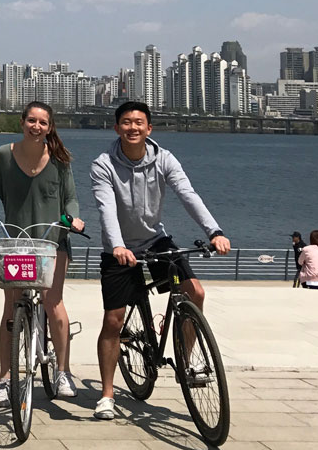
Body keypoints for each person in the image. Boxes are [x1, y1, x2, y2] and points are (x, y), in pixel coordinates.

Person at [91, 101, 230, 421]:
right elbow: (106, 208)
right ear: (117, 128)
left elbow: (188, 194)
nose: (132, 128)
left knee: (194, 293)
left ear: (149, 128)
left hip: (156, 241)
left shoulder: (164, 159)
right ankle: (107, 394)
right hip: (119, 247)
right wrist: (117, 245)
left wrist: (214, 231)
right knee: (113, 321)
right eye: (126, 122)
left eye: (139, 122)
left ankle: (186, 360)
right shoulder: (103, 164)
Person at [0, 101, 85, 406]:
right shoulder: (3, 155)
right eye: (31, 121)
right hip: (17, 244)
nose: (36, 127)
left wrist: (73, 219)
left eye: (43, 123)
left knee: (54, 302)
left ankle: (62, 371)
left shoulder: (60, 160)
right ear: (22, 122)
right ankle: (4, 379)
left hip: (53, 243)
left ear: (49, 127)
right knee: (11, 307)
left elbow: (71, 200)